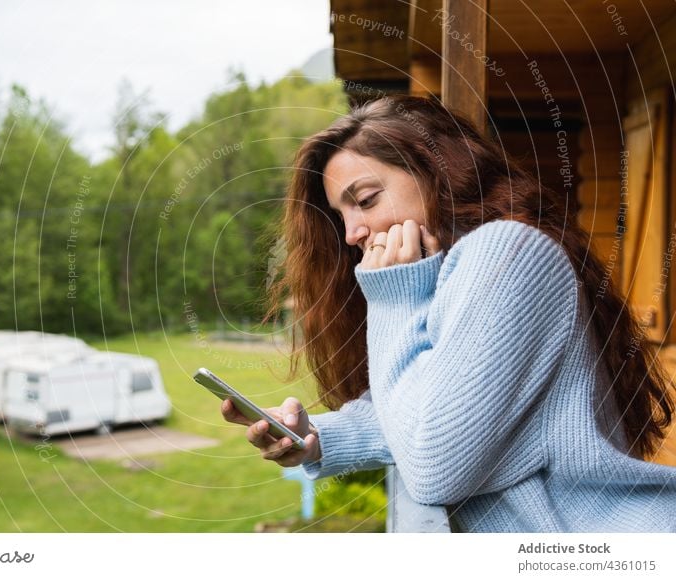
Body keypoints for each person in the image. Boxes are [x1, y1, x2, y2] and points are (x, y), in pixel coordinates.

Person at [221, 95, 676, 532]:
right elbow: (428, 410)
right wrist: (317, 436)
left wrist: (395, 300)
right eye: (341, 215)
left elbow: (436, 466)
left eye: (365, 199)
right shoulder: (455, 270)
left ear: (434, 171)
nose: (352, 233)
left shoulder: (506, 253)